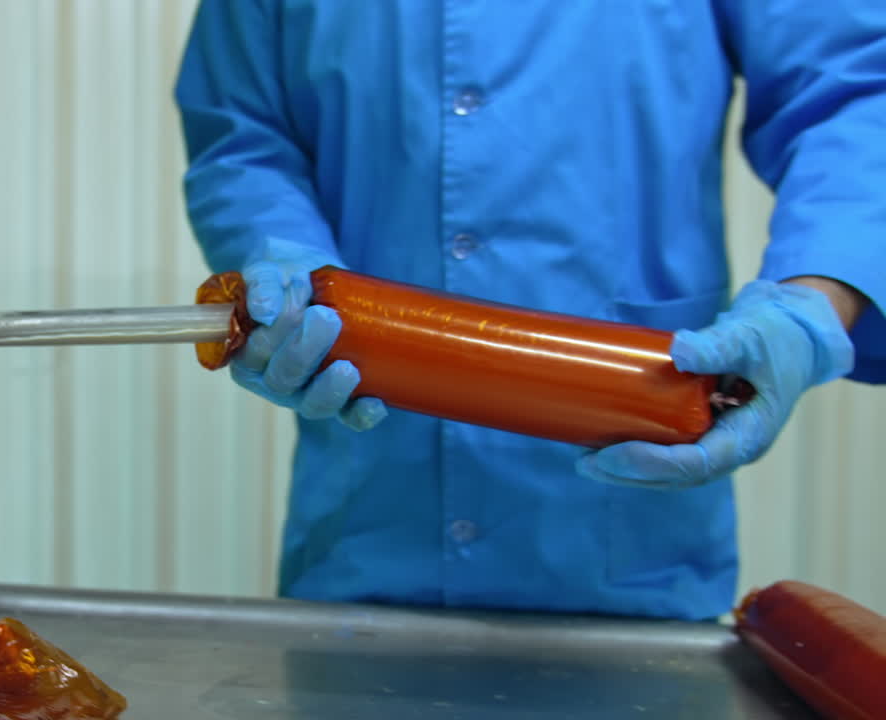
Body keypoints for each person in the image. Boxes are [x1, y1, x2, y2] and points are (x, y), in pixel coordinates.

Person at [173, 1, 886, 621]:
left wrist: (809, 306)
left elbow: (855, 94)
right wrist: (286, 270)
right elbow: (244, 134)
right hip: (367, 530)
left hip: (635, 538)